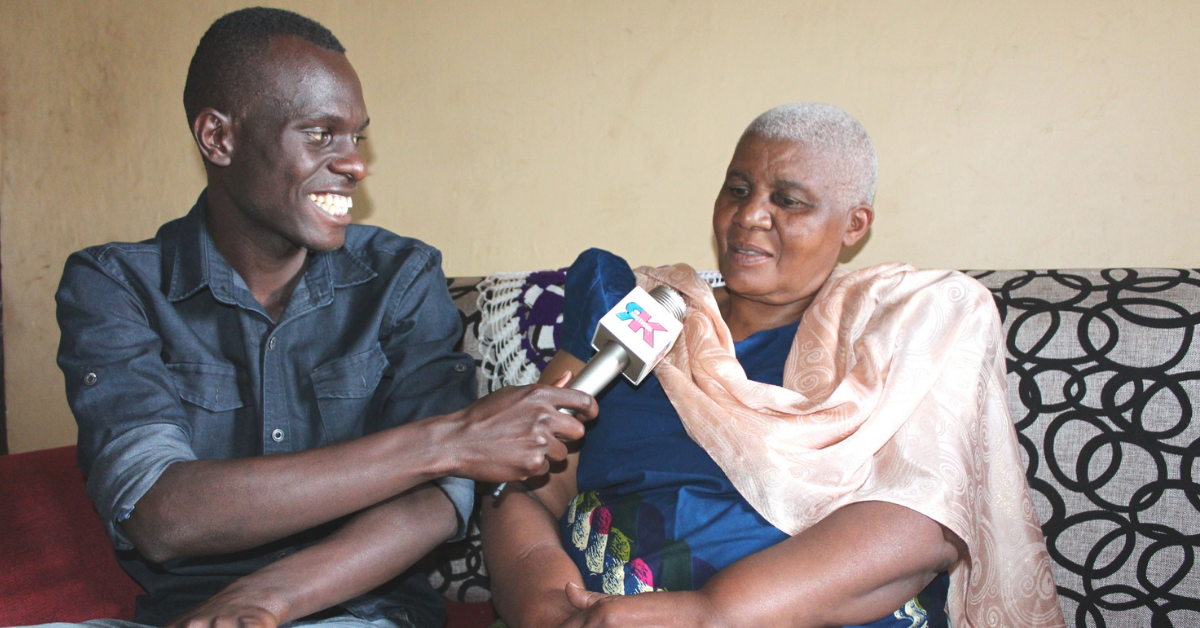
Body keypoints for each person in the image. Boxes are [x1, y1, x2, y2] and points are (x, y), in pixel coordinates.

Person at [52, 8, 596, 628]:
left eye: (357, 136)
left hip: (360, 613)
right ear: (218, 138)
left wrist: (267, 600)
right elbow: (158, 514)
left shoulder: (401, 277)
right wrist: (451, 441)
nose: (355, 163)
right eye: (319, 134)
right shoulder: (116, 285)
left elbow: (436, 502)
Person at [480, 103, 1065, 628]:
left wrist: (706, 615)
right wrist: (545, 604)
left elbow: (923, 522)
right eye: (737, 189)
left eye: (787, 200)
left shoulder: (907, 324)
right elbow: (526, 483)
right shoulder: (639, 309)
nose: (749, 216)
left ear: (854, 225)